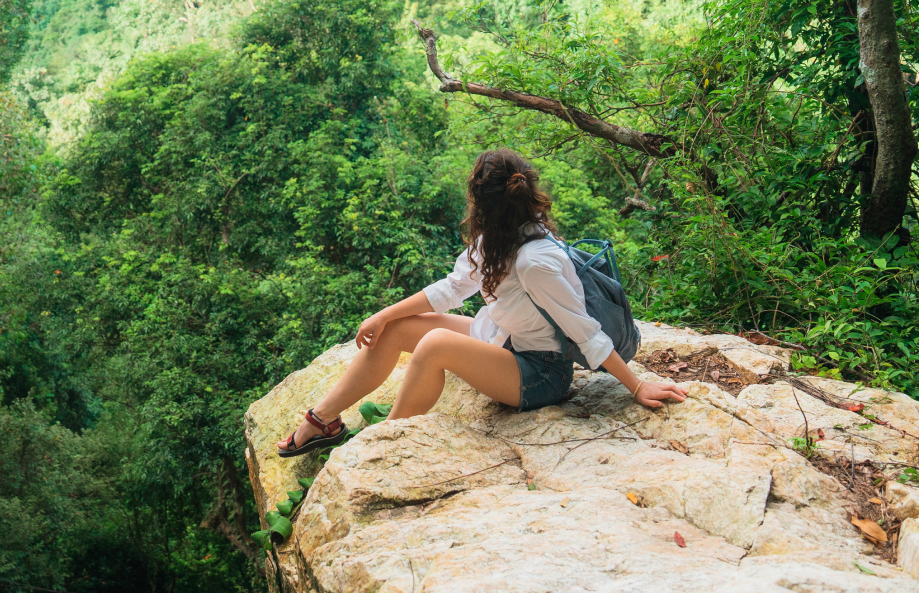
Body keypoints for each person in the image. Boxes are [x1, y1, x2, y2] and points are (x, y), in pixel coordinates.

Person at [278, 148, 688, 457]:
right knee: (399, 327)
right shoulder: (496, 239)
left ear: (483, 203)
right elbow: (453, 288)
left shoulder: (536, 260)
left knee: (434, 344)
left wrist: (636, 385)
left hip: (540, 373)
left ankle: (386, 441)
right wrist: (383, 314)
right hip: (504, 341)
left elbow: (585, 332)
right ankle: (323, 420)